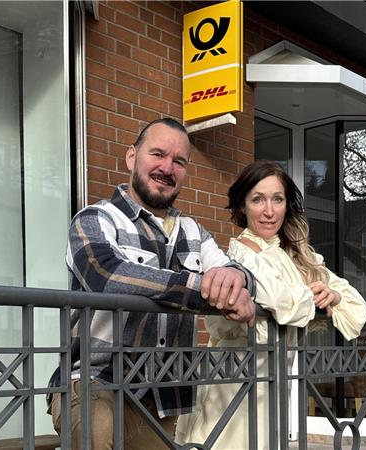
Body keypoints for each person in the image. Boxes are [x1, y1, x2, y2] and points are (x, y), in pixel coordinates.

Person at [47, 118, 257, 450]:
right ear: (132, 157)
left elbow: (231, 271)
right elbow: (107, 276)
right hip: (92, 380)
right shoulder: (95, 219)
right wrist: (202, 290)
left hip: (161, 395)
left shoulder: (194, 232)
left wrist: (238, 279)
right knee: (96, 429)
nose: (167, 168)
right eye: (157, 154)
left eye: (179, 161)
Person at [176, 160, 366, 449]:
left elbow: (357, 305)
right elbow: (279, 301)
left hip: (274, 383)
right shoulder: (238, 255)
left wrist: (334, 295)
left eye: (277, 199)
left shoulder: (294, 255)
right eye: (258, 199)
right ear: (242, 206)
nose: (269, 211)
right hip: (234, 380)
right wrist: (314, 297)